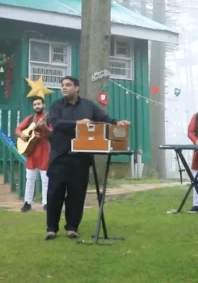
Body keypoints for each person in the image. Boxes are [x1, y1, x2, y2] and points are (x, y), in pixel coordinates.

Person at [45, 76, 131, 240]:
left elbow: (104, 119)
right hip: (60, 156)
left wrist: (117, 122)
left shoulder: (89, 105)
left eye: (68, 85)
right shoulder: (56, 105)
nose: (64, 88)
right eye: (62, 85)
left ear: (77, 88)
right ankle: (51, 228)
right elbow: (55, 123)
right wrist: (78, 123)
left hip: (81, 158)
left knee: (76, 195)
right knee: (55, 193)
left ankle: (72, 228)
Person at [15, 96, 52, 212]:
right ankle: (27, 203)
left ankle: (46, 203)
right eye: (35, 104)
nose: (37, 106)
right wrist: (22, 135)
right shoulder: (30, 119)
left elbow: (53, 133)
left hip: (45, 151)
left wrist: (45, 127)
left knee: (45, 180)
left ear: (43, 105)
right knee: (30, 179)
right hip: (31, 152)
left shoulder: (49, 118)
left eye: (39, 104)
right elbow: (18, 129)